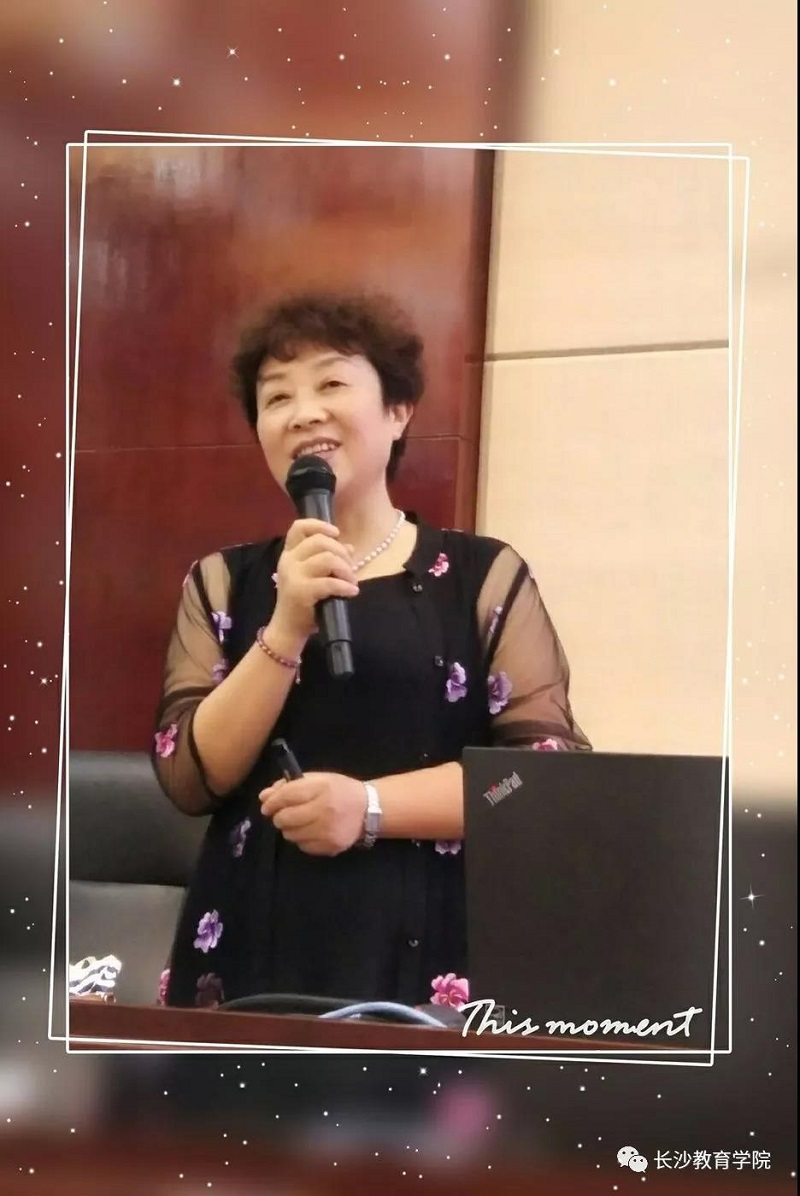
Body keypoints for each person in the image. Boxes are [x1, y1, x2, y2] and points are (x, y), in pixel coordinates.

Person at [152, 291, 590, 1010]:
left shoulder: (481, 577)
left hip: (430, 943)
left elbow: (533, 780)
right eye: (276, 397)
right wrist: (286, 627)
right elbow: (189, 777)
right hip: (251, 943)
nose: (303, 413)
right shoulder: (224, 582)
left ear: (398, 411)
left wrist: (372, 806)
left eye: (330, 383)